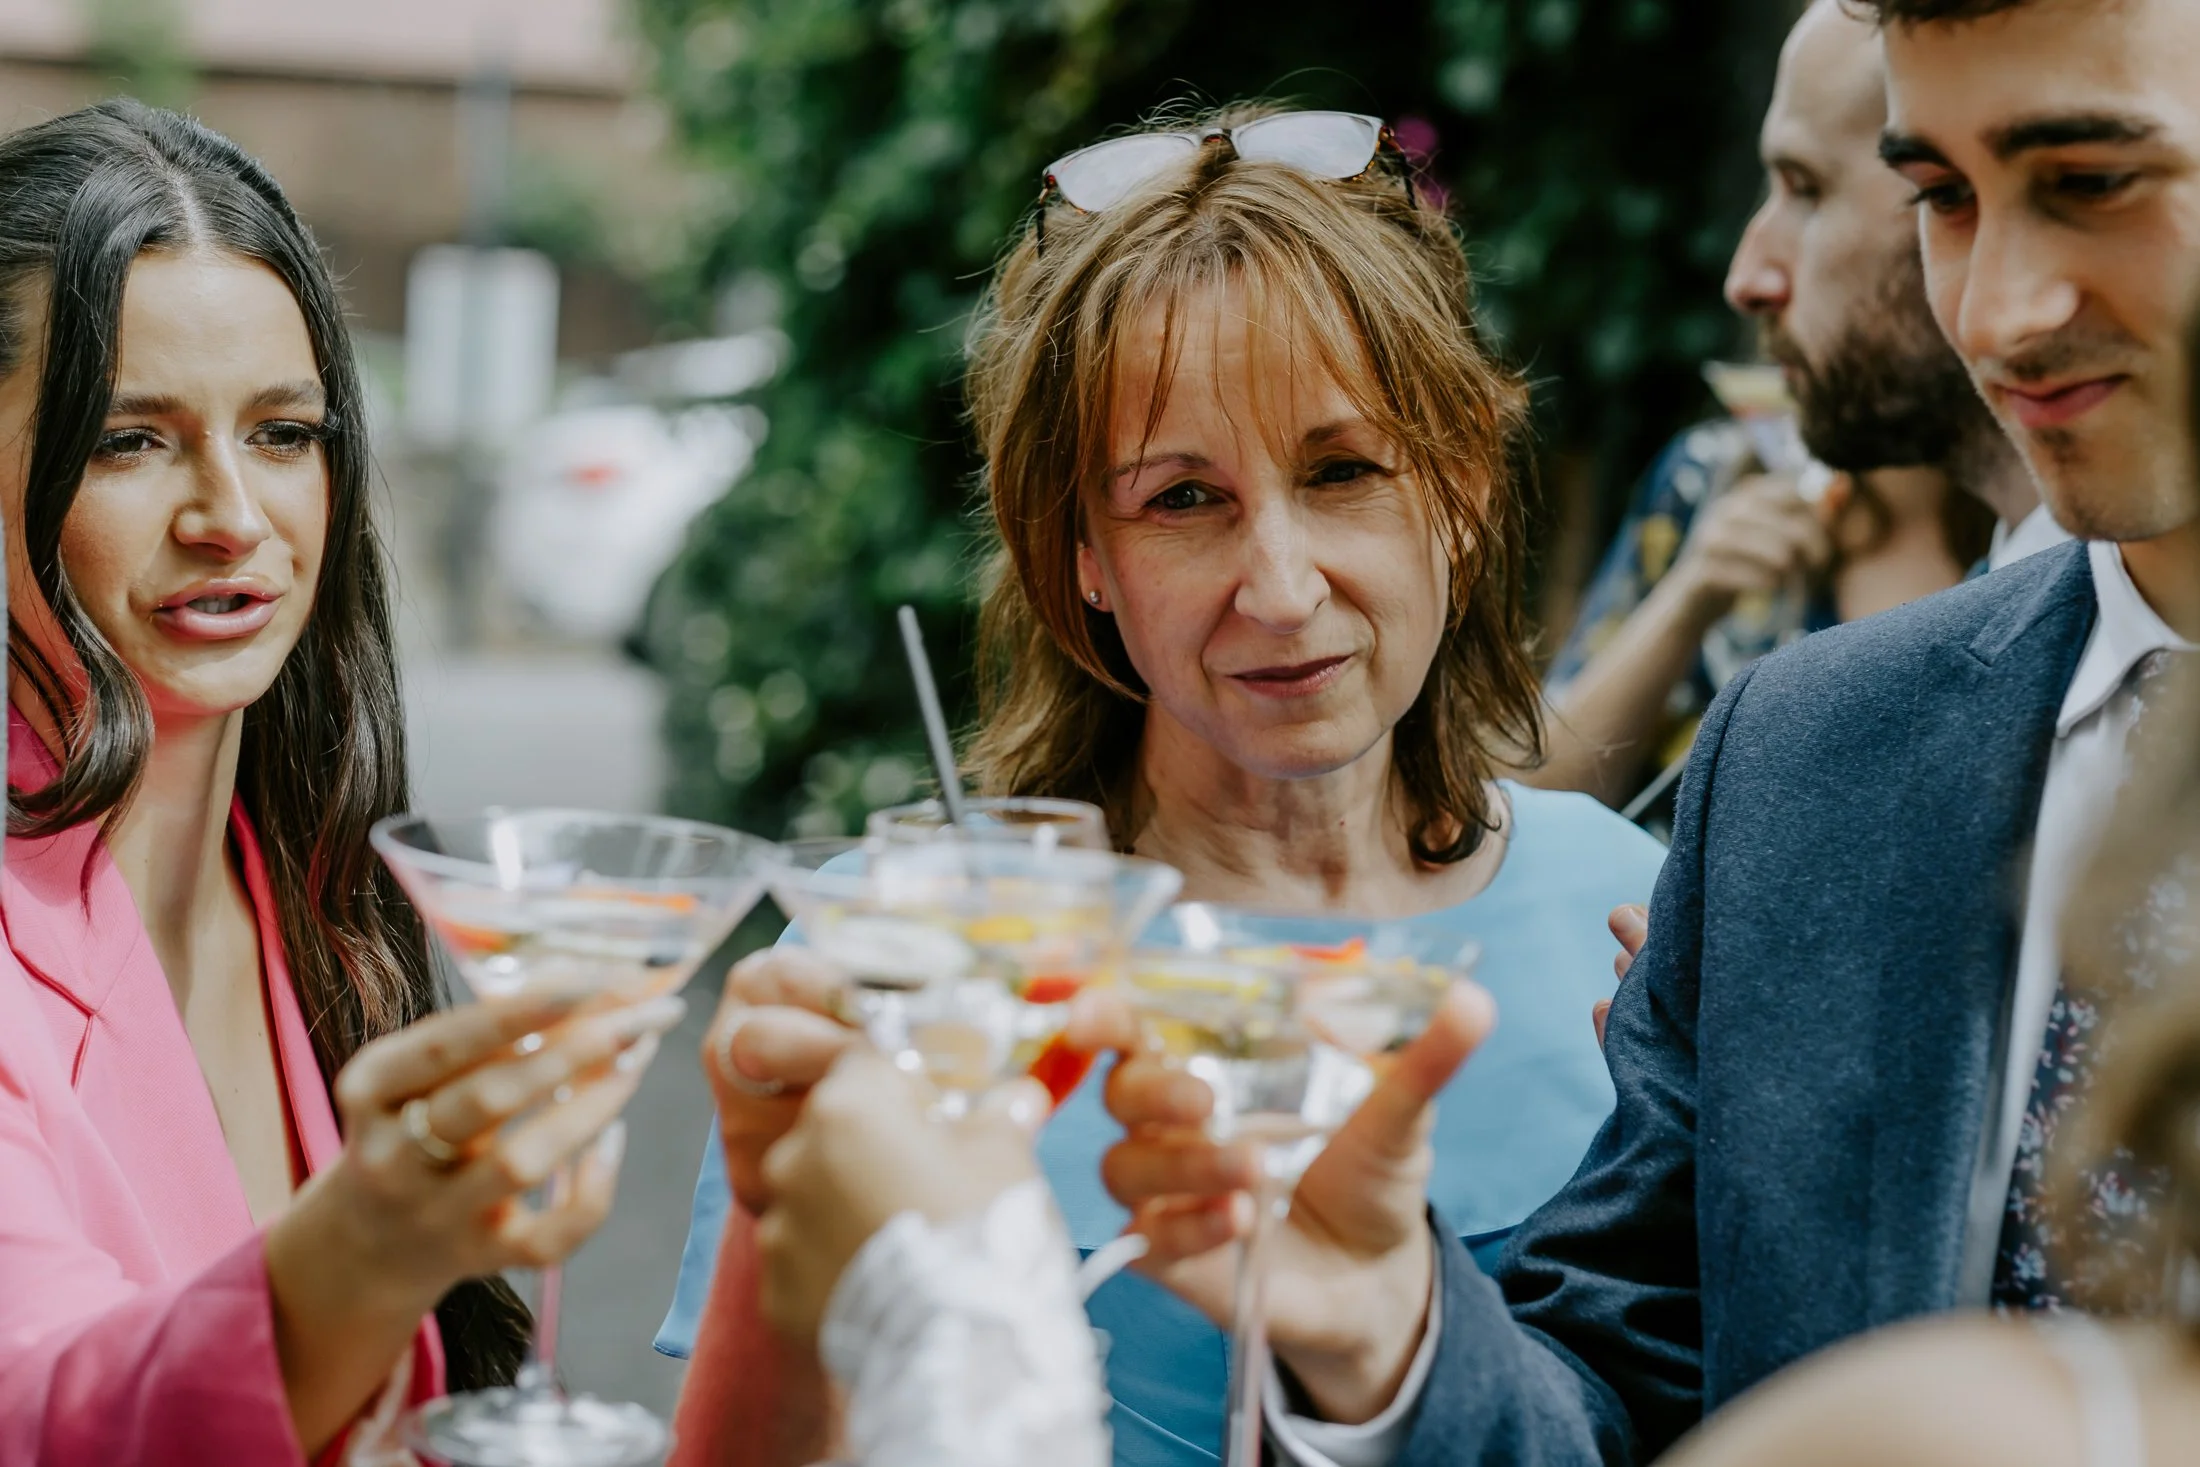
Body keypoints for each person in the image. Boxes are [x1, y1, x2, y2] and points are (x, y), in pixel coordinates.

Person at [1091, 0, 2200, 1462]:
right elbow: (1620, 1392)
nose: (1994, 313)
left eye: (2093, 180)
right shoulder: (1808, 761)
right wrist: (1391, 1340)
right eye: (1940, 196)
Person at [656, 105, 1671, 1465]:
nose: (1283, 588)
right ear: (1079, 549)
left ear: (1463, 490)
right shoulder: (911, 955)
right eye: (1182, 499)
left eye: (1343, 470)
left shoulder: (1639, 916)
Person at [0, 100, 681, 1464]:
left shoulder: (313, 881)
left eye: (282, 433)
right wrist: (374, 1237)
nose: (232, 518)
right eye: (130, 439)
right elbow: (47, 1409)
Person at [1532, 0, 2055, 814]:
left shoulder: (2080, 569)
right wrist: (1691, 595)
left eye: (1806, 188)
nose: (1745, 280)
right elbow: (1514, 810)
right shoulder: (1718, 476)